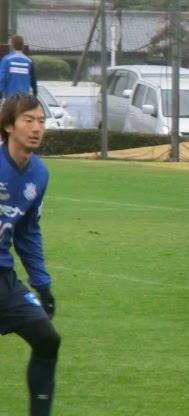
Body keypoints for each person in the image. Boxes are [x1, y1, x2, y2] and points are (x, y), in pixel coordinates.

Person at [0, 93, 60, 415]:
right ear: (9, 125)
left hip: (3, 279)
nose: (37, 128)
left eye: (41, 121)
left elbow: (27, 232)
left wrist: (42, 284)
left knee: (47, 340)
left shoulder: (39, 174)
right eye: (28, 120)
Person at [0, 35, 38, 100]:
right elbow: (33, 81)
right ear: (22, 45)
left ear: (11, 45)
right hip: (25, 98)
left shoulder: (6, 60)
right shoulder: (29, 61)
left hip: (10, 97)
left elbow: (2, 79)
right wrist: (35, 95)